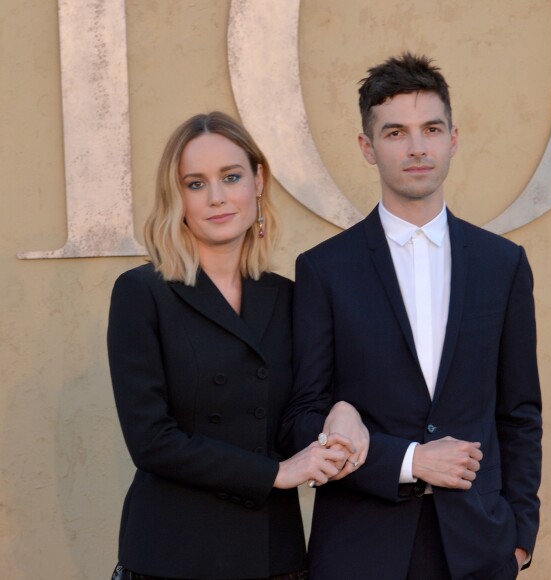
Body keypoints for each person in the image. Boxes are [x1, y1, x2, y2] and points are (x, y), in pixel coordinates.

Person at [279, 53, 542, 579]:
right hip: (360, 549)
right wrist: (407, 460)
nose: (417, 147)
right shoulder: (323, 270)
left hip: (478, 549)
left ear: (453, 139)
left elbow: (519, 413)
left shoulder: (502, 264)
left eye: (431, 129)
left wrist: (518, 538)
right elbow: (302, 420)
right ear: (367, 148)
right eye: (395, 132)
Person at [107, 111, 361, 580]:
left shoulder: (288, 296)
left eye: (231, 177)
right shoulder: (142, 292)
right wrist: (276, 474)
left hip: (271, 553)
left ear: (258, 181)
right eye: (196, 183)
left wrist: (342, 410)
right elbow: (151, 441)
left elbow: (304, 407)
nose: (218, 198)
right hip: (172, 554)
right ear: (176, 196)